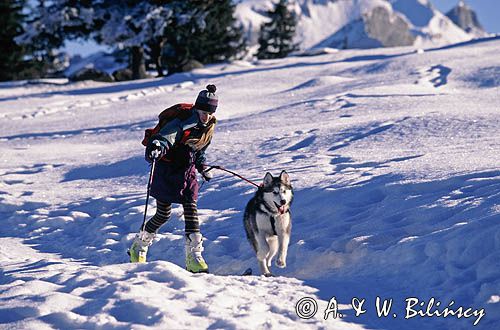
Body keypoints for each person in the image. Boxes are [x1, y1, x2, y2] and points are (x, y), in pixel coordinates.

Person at [129, 84, 218, 273]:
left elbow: (199, 151)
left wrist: (203, 167)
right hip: (167, 172)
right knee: (163, 215)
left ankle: (194, 257)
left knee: (191, 208)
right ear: (196, 108)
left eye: (209, 113)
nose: (206, 116)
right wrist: (157, 147)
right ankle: (139, 246)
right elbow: (166, 137)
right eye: (203, 111)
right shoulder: (183, 121)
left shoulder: (208, 127)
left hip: (188, 173)